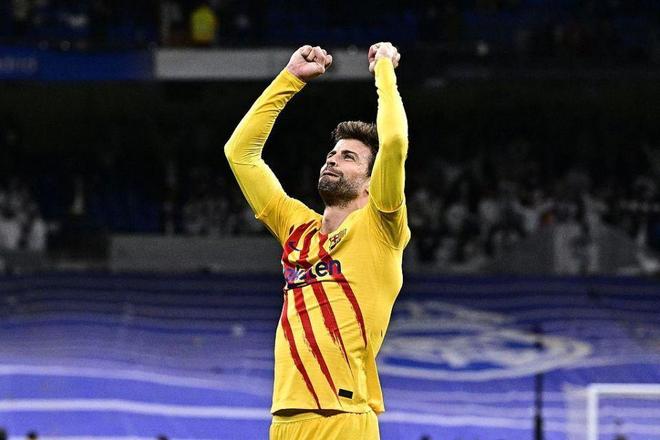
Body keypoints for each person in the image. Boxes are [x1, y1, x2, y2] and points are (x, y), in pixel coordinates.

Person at [225, 42, 409, 439]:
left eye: (348, 157)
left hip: (343, 419)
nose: (332, 159)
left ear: (371, 183)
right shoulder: (296, 227)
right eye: (333, 153)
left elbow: (394, 143)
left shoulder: (380, 227)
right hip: (284, 421)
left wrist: (384, 71)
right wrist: (289, 79)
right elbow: (240, 154)